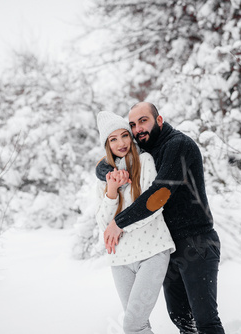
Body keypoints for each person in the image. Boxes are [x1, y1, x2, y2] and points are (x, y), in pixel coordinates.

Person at [96, 102, 225, 334]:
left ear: (159, 120)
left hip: (195, 242)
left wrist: (118, 222)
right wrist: (110, 174)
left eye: (143, 121)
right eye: (133, 125)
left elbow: (158, 196)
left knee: (205, 320)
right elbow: (104, 161)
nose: (138, 129)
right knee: (181, 319)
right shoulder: (147, 147)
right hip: (169, 246)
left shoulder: (178, 145)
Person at [95, 110, 175, 334]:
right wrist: (112, 190)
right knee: (140, 327)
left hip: (152, 251)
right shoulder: (105, 177)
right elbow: (103, 222)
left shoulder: (145, 161)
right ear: (107, 144)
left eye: (124, 135)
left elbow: (151, 207)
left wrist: (117, 225)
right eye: (113, 139)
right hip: (120, 259)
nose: (121, 142)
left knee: (132, 324)